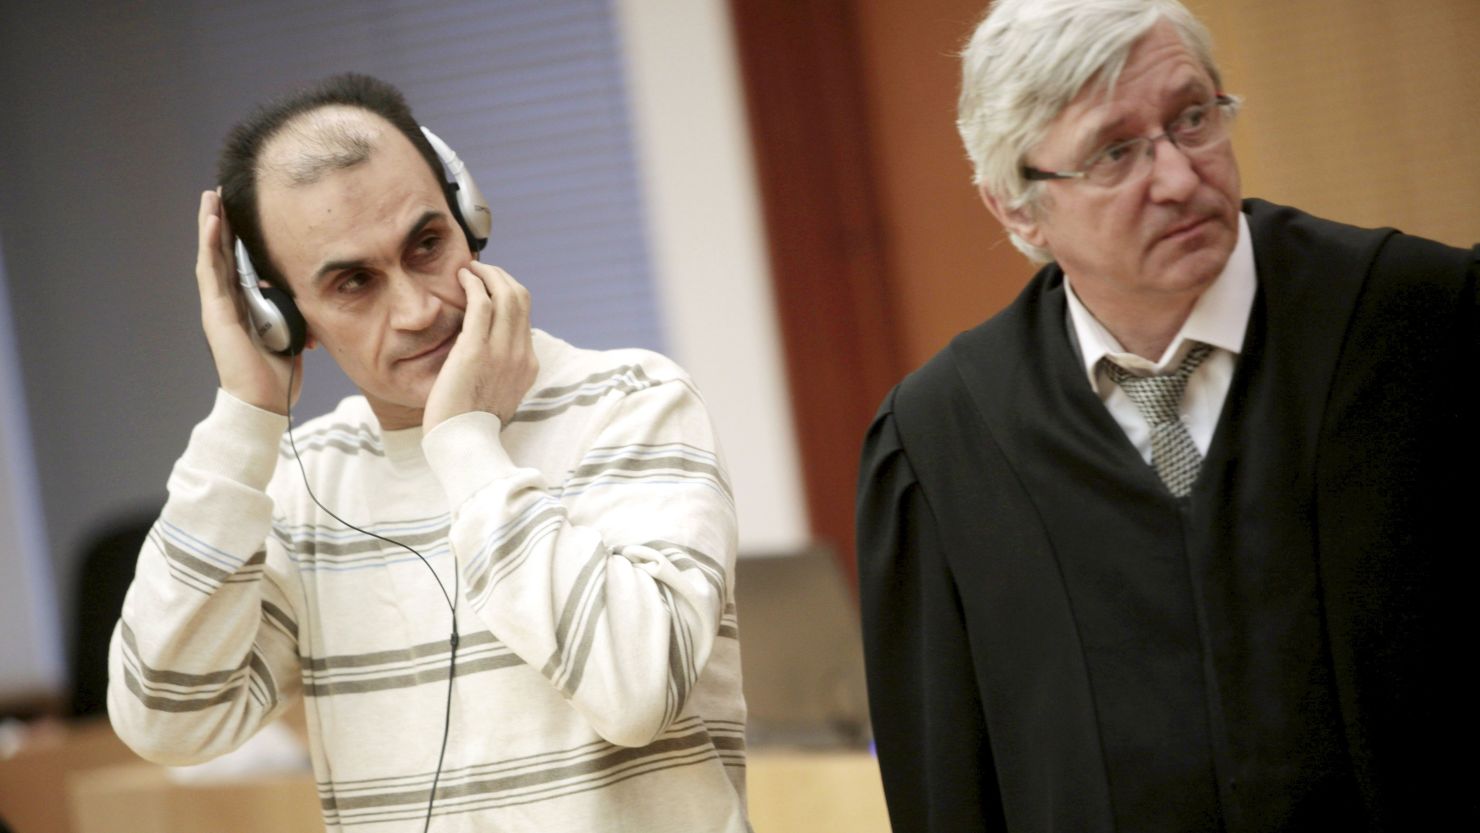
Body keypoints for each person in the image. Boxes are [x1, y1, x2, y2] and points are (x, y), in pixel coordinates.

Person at [856, 1, 1477, 831]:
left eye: (1193, 119)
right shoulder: (943, 444)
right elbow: (948, 792)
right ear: (1014, 206)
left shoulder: (1420, 324)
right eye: (1115, 153)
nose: (1181, 178)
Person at [108, 73, 748, 831]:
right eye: (353, 282)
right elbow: (165, 722)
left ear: (468, 217)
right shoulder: (302, 485)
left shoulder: (634, 400)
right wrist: (245, 419)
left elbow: (637, 688)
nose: (418, 308)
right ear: (280, 316)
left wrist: (466, 443)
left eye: (426, 244)